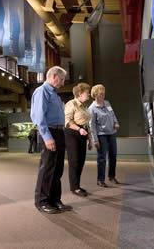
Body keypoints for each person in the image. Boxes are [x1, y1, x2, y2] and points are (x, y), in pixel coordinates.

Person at [31, 66, 72, 214]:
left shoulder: (55, 94)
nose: (62, 83)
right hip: (49, 131)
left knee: (58, 169)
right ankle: (41, 201)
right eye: (61, 79)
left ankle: (55, 199)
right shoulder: (42, 91)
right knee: (47, 168)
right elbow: (39, 117)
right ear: (54, 76)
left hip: (59, 131)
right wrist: (47, 137)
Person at [88, 84, 120, 187]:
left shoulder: (107, 103)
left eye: (104, 94)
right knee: (102, 158)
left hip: (112, 134)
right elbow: (91, 126)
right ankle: (100, 180)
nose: (103, 96)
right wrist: (95, 140)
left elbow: (112, 114)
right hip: (101, 136)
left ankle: (112, 176)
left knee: (113, 156)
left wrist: (116, 122)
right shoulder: (92, 108)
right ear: (95, 95)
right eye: (101, 94)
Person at [64, 83, 91, 197]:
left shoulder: (84, 106)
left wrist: (89, 138)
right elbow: (68, 121)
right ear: (80, 93)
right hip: (73, 133)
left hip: (82, 133)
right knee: (74, 161)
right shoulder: (72, 103)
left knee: (81, 161)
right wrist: (79, 129)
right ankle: (74, 188)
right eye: (87, 92)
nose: (89, 94)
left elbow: (86, 124)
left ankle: (77, 185)